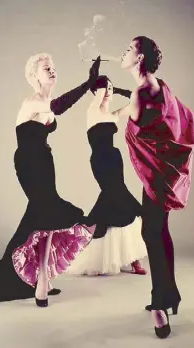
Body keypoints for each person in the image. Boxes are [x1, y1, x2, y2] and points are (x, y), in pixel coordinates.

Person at [0, 53, 101, 307]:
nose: (52, 70)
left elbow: (55, 110)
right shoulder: (32, 101)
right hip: (28, 163)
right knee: (44, 212)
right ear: (34, 76)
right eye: (46, 68)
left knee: (45, 217)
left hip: (44, 161)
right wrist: (87, 83)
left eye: (53, 67)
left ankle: (42, 280)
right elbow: (59, 106)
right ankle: (34, 279)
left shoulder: (44, 101)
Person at [112, 36, 194, 338]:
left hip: (156, 180)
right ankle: (171, 294)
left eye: (128, 49)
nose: (123, 52)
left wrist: (107, 109)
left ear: (139, 59)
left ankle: (160, 305)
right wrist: (119, 95)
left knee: (151, 233)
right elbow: (150, 109)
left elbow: (129, 113)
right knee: (160, 231)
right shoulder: (157, 85)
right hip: (163, 176)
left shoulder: (140, 94)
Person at [68, 76, 147, 276]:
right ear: (97, 91)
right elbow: (99, 93)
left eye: (110, 88)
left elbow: (136, 100)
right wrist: (100, 83)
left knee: (115, 202)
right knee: (121, 200)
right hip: (101, 160)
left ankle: (130, 258)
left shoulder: (113, 115)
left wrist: (117, 89)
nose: (108, 91)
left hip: (114, 159)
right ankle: (134, 260)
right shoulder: (92, 111)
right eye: (105, 88)